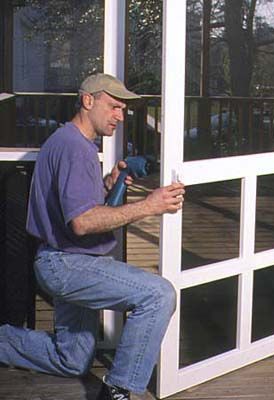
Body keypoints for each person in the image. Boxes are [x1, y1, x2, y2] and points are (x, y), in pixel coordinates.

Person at [0, 73, 185, 400]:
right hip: (68, 264)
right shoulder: (75, 148)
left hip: (61, 260)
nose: (120, 115)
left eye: (123, 110)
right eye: (113, 107)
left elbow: (76, 205)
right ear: (88, 101)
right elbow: (82, 223)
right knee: (158, 295)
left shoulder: (67, 140)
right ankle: (119, 389)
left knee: (70, 359)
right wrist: (149, 205)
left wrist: (108, 184)